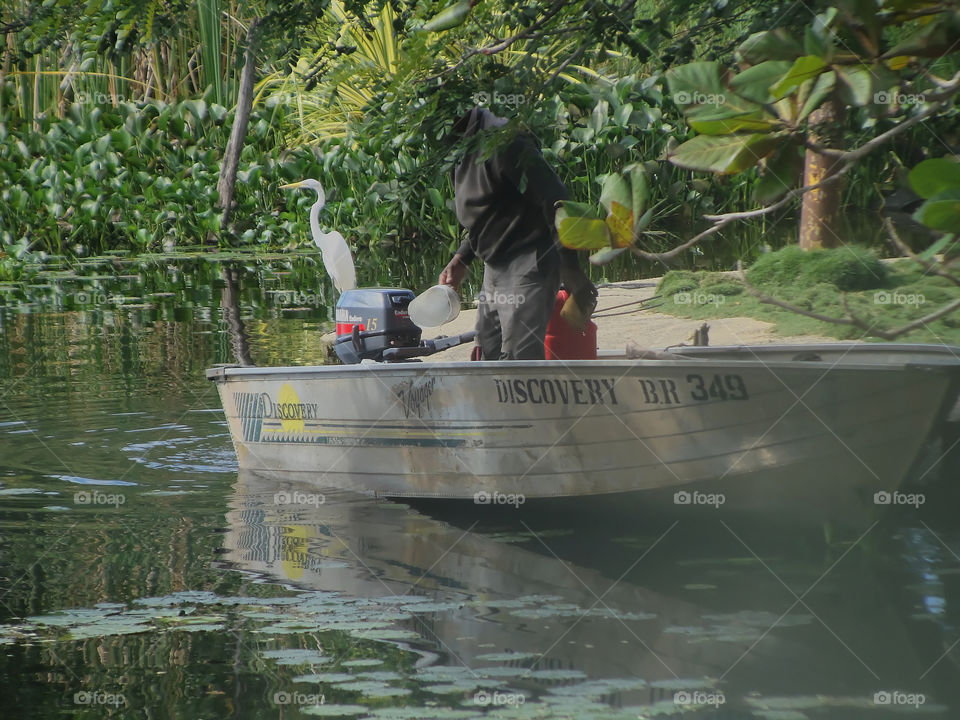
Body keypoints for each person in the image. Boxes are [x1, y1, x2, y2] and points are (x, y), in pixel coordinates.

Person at [438, 106, 596, 360]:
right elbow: (492, 211)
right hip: (494, 265)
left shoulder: (505, 141)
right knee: (487, 352)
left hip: (530, 259)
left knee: (518, 361)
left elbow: (556, 200)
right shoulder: (460, 144)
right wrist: (462, 258)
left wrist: (570, 267)